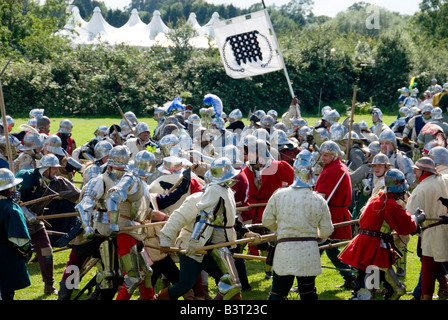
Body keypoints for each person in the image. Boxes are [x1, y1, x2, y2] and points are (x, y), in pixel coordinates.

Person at [158, 157, 258, 300]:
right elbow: (177, 219)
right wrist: (166, 239)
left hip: (214, 247)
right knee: (184, 285)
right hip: (192, 247)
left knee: (232, 284)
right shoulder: (196, 199)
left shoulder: (226, 192)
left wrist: (246, 232)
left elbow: (230, 219)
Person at [338, 168, 423, 300]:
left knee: (368, 277)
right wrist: (417, 218)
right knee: (395, 288)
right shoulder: (390, 204)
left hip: (366, 241)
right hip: (376, 244)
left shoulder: (377, 197)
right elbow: (408, 226)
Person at [262, 149, 334, 300]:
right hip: (308, 251)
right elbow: (327, 231)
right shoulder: (318, 200)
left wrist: (282, 230)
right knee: (308, 293)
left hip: (285, 249)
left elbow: (267, 221)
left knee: (278, 293)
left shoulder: (278, 195)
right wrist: (315, 234)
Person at [16, 154, 81, 295]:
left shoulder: (57, 182)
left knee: (46, 251)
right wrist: (27, 214)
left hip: (36, 223)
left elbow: (79, 196)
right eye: (54, 168)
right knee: (12, 255)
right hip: (16, 222)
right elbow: (13, 199)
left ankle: (49, 286)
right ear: (45, 168)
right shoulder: (27, 176)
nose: (57, 171)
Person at [242, 138, 294, 278]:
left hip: (271, 207)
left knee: (272, 240)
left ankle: (270, 270)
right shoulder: (247, 168)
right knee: (256, 238)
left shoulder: (278, 166)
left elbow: (293, 182)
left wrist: (284, 196)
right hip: (253, 208)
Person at [313, 140, 357, 289]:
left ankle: (306, 282)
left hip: (331, 212)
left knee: (317, 248)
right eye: (322, 155)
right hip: (330, 210)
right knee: (330, 249)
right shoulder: (332, 167)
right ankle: (350, 277)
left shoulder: (335, 170)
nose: (323, 158)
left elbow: (322, 195)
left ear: (334, 155)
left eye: (326, 155)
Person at [406, 157, 448, 300]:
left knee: (428, 270)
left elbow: (411, 215)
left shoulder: (421, 189)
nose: (414, 172)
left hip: (431, 232)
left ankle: (426, 297)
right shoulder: (446, 179)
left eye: (417, 169)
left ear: (423, 170)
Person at [0, 168, 32, 300]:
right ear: (8, 189)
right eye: (12, 186)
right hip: (5, 260)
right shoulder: (11, 209)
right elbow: (19, 239)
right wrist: (27, 250)